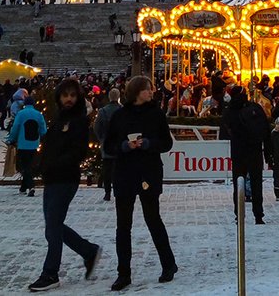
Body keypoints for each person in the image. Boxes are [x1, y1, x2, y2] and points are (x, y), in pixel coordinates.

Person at [103, 76, 177, 291]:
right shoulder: (120, 116)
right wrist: (125, 146)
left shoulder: (156, 114)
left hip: (148, 171)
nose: (151, 92)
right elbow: (109, 145)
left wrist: (149, 144)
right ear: (137, 92)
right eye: (147, 89)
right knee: (123, 225)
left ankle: (168, 264)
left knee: (153, 218)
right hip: (125, 173)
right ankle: (123, 272)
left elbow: (166, 142)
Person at [29, 78, 101, 292]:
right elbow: (49, 146)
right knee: (53, 225)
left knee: (53, 226)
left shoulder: (79, 121)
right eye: (65, 95)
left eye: (72, 95)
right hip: (52, 178)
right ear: (59, 98)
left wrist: (54, 164)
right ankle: (88, 251)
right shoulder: (59, 119)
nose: (68, 99)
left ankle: (50, 273)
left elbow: (78, 151)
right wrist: (39, 165)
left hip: (65, 178)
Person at [222, 86, 271, 225]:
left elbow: (225, 131)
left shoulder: (230, 111)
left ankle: (239, 215)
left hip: (238, 151)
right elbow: (266, 131)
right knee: (256, 183)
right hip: (255, 150)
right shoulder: (255, 108)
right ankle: (258, 215)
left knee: (238, 184)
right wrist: (268, 152)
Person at [8, 98, 46, 197]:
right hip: (34, 144)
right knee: (29, 166)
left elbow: (15, 127)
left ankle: (31, 186)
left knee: (25, 166)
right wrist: (44, 138)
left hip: (23, 144)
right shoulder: (38, 114)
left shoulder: (21, 114)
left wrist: (11, 139)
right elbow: (43, 129)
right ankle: (23, 188)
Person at [93, 87, 121, 202]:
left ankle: (107, 192)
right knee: (119, 169)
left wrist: (101, 138)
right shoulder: (122, 110)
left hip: (106, 142)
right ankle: (118, 191)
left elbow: (96, 127)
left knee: (107, 168)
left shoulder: (103, 111)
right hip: (120, 143)